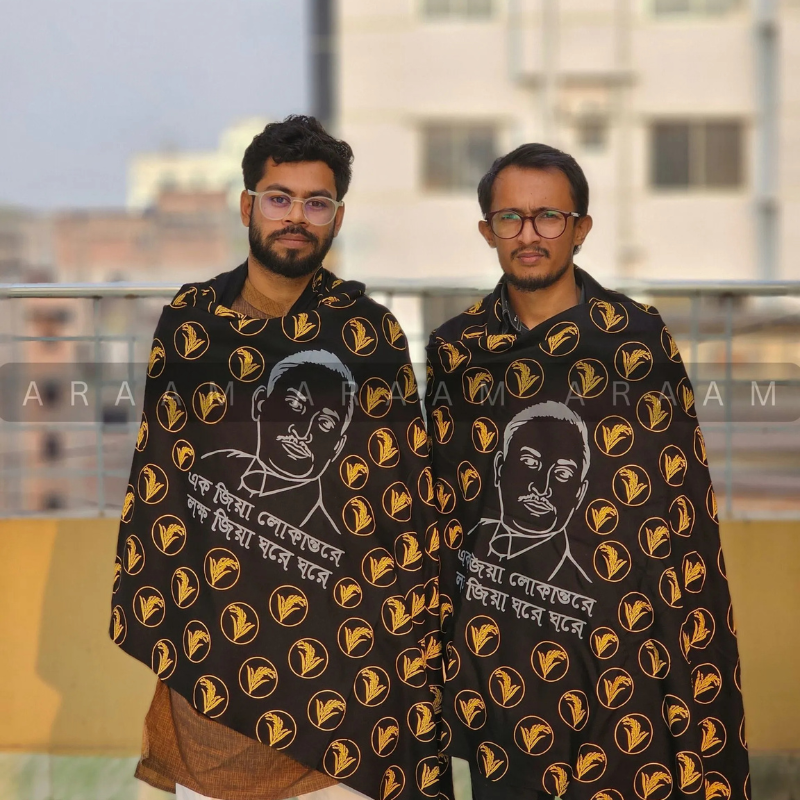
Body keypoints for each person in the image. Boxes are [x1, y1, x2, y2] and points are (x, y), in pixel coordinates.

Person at [112, 116, 448, 800]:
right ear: (247, 206)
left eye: (316, 202)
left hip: (342, 672)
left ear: (337, 218)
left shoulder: (368, 335)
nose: (297, 217)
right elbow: (161, 483)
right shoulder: (192, 325)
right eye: (279, 198)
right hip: (215, 653)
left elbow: (401, 499)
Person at [427, 144, 749, 799]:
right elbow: (444, 506)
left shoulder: (635, 341)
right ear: (487, 230)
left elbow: (678, 506)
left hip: (621, 637)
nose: (529, 234)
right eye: (510, 218)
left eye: (549, 216)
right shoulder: (459, 350)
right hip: (505, 638)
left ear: (581, 228)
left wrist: (675, 640)